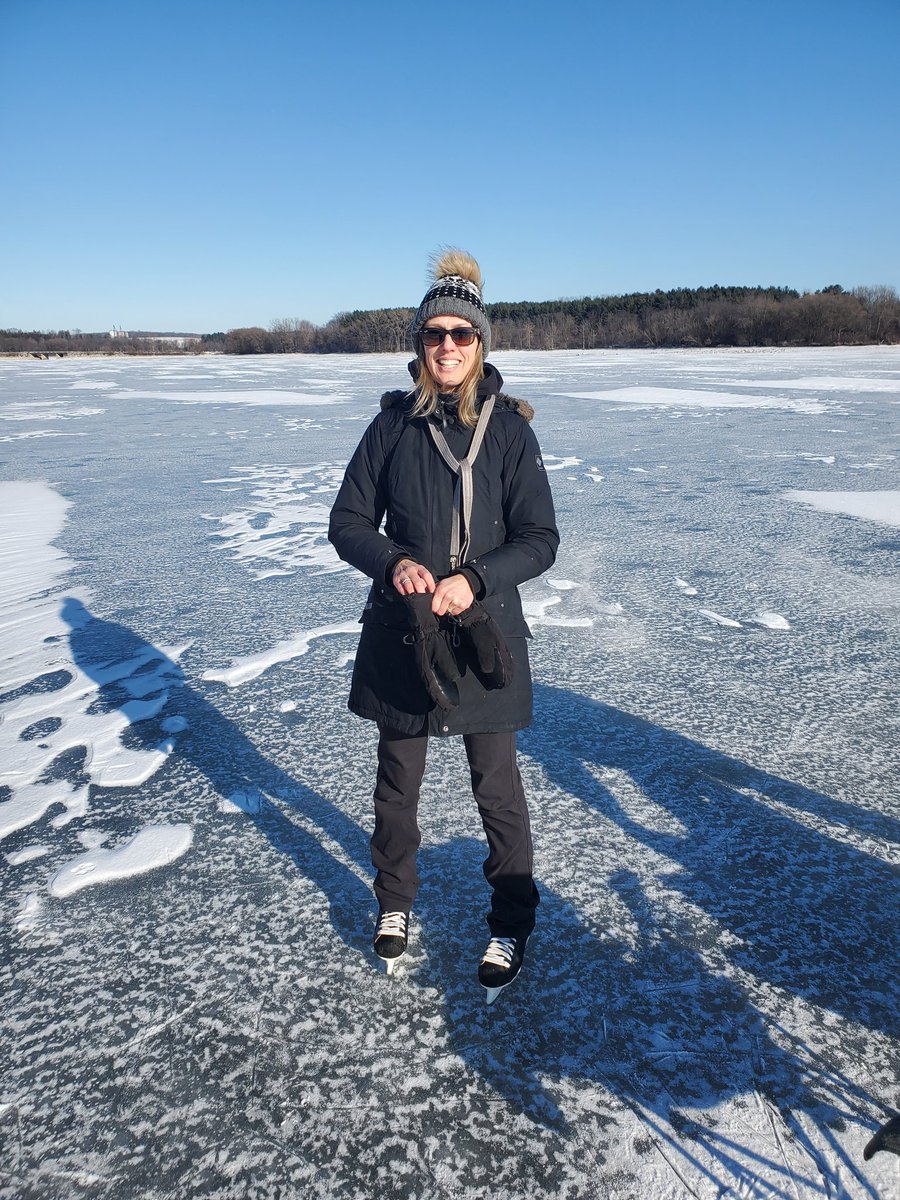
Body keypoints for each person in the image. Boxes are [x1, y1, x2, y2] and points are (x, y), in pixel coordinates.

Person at [328, 249, 558, 1002]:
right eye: (435, 334)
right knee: (398, 782)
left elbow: (539, 539)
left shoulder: (511, 432)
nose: (448, 346)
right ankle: (394, 902)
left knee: (497, 788)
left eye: (462, 333)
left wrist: (475, 580)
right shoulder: (391, 428)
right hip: (405, 633)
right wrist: (393, 562)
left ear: (480, 342)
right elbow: (347, 523)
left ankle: (511, 922)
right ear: (420, 343)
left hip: (485, 633)